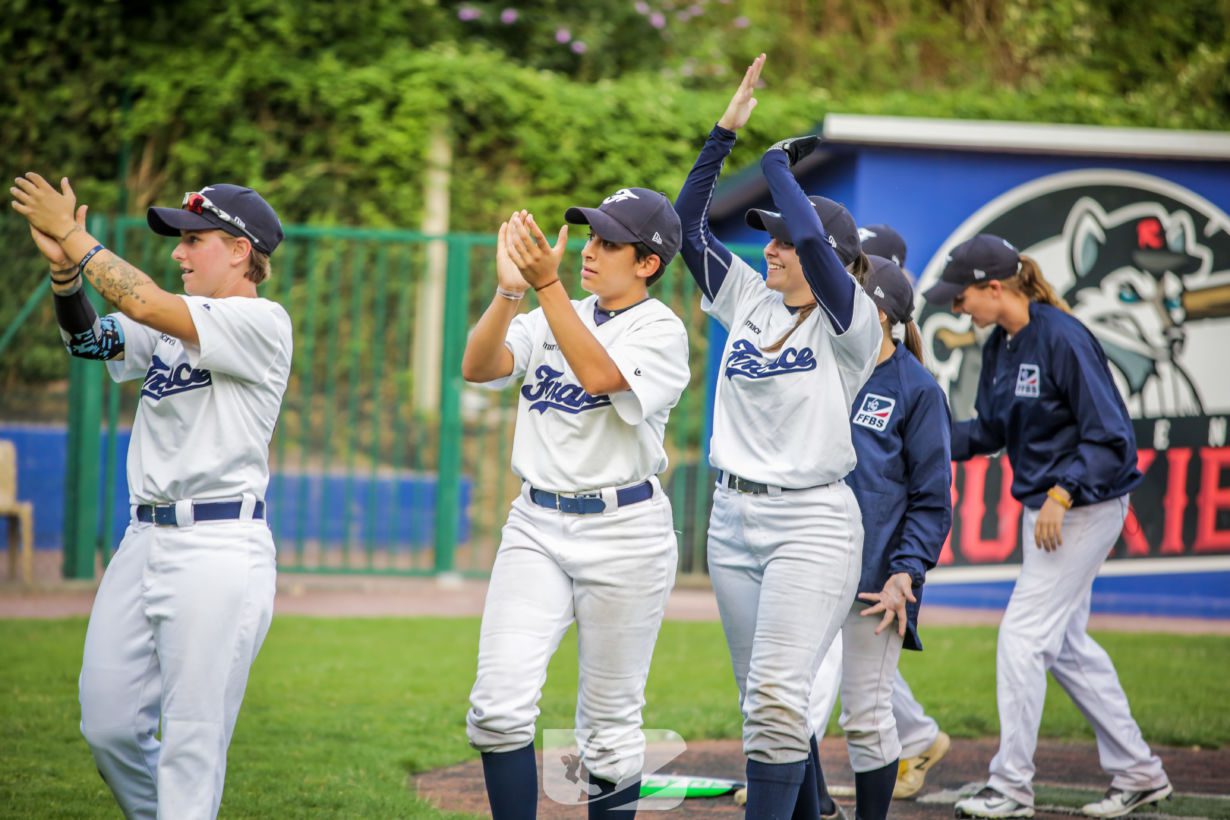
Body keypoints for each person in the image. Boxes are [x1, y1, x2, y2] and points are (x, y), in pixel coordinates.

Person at [11, 175, 291, 819]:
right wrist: (65, 278)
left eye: (194, 240)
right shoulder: (174, 323)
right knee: (107, 724)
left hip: (219, 545)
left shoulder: (260, 322)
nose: (178, 253)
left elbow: (143, 304)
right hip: (144, 541)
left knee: (192, 743)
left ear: (241, 251)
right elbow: (90, 340)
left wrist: (73, 236)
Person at [674, 54, 881, 817]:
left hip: (812, 522)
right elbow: (685, 226)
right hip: (732, 521)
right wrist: (724, 135)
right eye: (769, 237)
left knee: (775, 701)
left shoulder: (850, 321)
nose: (771, 247)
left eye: (783, 240)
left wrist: (776, 168)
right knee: (762, 707)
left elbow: (821, 252)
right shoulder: (750, 301)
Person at [923, 234, 1172, 820]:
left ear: (993, 287)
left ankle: (1010, 787)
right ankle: (1139, 772)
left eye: (961, 299)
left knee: (1023, 637)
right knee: (1064, 648)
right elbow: (987, 433)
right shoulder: (1002, 345)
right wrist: (920, 434)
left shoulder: (1062, 336)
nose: (957, 310)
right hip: (1054, 514)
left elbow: (1111, 436)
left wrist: (1063, 491)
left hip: (1084, 508)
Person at [462, 190, 690, 818]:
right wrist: (512, 292)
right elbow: (478, 367)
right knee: (497, 707)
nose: (590, 249)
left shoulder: (660, 328)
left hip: (626, 531)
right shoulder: (547, 312)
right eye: (590, 237)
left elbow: (599, 377)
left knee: (610, 731)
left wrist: (546, 288)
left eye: (609, 242)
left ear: (647, 263)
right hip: (536, 523)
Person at [803, 226, 952, 815]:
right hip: (810, 563)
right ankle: (814, 806)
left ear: (882, 316)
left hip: (876, 580)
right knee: (785, 703)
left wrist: (906, 574)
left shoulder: (917, 390)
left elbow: (932, 498)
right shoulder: (820, 369)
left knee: (864, 717)